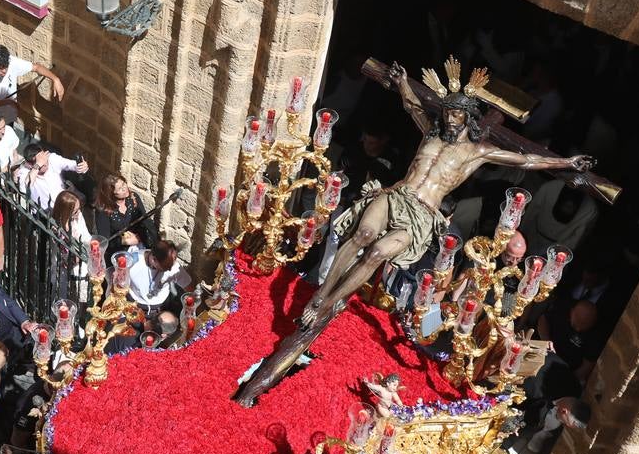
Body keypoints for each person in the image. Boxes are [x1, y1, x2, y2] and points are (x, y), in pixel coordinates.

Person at [236, 61, 597, 406]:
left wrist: (566, 163)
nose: (449, 119)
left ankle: (329, 302)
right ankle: (323, 297)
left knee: (377, 254)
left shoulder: (478, 152)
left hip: (421, 215)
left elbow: (526, 161)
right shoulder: (431, 132)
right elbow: (410, 104)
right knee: (361, 235)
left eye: (456, 115)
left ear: (468, 118)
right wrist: (404, 80)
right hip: (398, 195)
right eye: (447, 113)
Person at [0, 44, 65, 127]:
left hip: (6, 118)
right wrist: (8, 102)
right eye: (0, 68)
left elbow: (37, 67)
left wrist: (55, 79)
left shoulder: (11, 61)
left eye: (6, 66)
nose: (4, 71)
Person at [90, 173, 155, 258]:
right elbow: (105, 241)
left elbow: (145, 221)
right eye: (120, 189)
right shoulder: (103, 210)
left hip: (139, 244)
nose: (125, 189)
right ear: (111, 193)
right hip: (118, 251)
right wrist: (125, 241)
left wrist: (144, 239)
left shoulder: (133, 198)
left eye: (124, 184)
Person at [128, 241, 193, 318]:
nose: (170, 270)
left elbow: (190, 289)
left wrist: (191, 306)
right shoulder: (132, 262)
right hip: (135, 309)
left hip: (160, 311)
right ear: (153, 259)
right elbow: (119, 284)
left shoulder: (173, 267)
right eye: (165, 268)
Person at [17, 143, 87, 210]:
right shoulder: (24, 172)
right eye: (42, 165)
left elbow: (71, 164)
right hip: (44, 212)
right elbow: (24, 188)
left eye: (45, 160)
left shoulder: (51, 158)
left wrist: (81, 166)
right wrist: (38, 165)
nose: (46, 164)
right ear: (30, 165)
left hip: (63, 205)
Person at [53, 190, 93, 300]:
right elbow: (67, 255)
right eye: (75, 211)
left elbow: (86, 236)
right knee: (63, 295)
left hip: (82, 261)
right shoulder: (57, 228)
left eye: (78, 209)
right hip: (63, 266)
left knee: (83, 293)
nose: (78, 213)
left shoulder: (78, 215)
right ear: (65, 212)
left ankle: (82, 305)